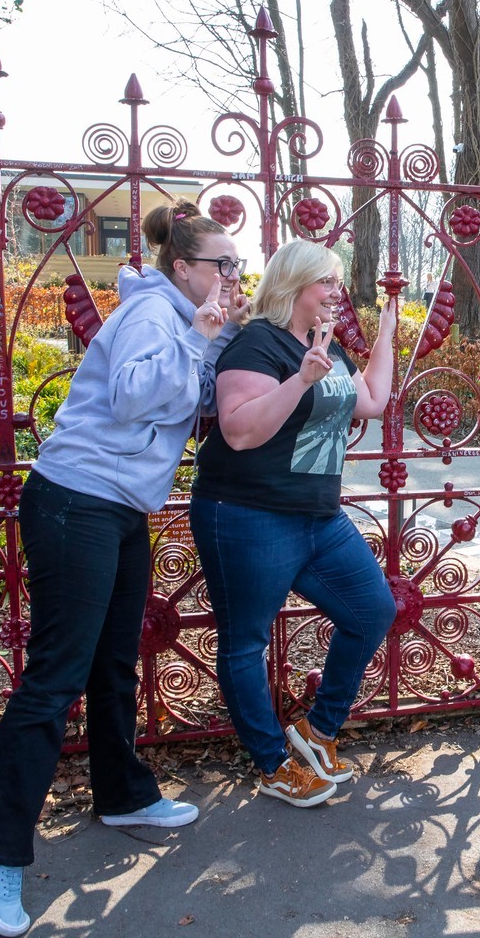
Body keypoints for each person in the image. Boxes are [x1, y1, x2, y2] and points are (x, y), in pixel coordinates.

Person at [0, 201, 247, 937]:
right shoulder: (154, 315)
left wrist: (226, 343)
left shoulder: (181, 321)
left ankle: (123, 795)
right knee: (56, 675)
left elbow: (196, 399)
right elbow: (133, 396)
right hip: (76, 502)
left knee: (114, 661)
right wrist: (204, 332)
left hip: (119, 506)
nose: (233, 275)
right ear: (183, 268)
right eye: (223, 265)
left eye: (237, 266)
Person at [191, 239, 398, 807]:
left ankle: (318, 730)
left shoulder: (321, 343)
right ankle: (272, 763)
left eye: (338, 282)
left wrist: (385, 332)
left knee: (372, 610)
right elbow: (237, 429)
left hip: (317, 517)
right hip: (247, 513)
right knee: (245, 642)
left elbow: (372, 401)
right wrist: (301, 379)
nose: (338, 292)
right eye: (327, 282)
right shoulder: (257, 344)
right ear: (294, 286)